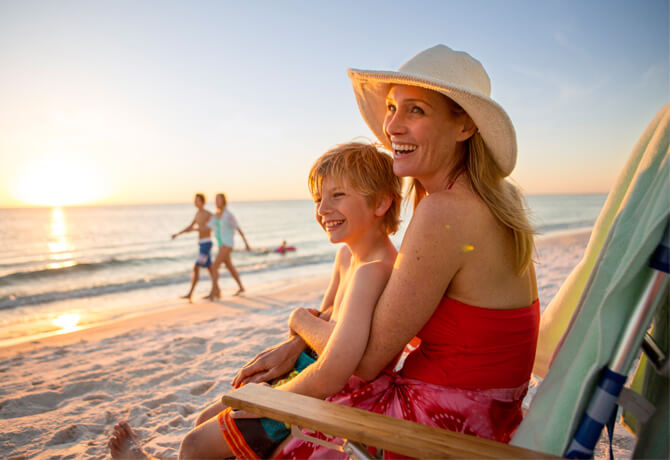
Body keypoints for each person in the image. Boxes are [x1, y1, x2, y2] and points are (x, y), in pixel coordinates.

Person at [234, 44, 540, 457]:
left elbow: (365, 359)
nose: (392, 125)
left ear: (464, 126)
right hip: (487, 413)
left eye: (416, 110)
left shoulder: (445, 212)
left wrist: (298, 320)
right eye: (393, 107)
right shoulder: (488, 199)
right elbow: (381, 317)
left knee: (270, 419)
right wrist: (294, 345)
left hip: (444, 426)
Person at [108, 142, 402, 459]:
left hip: (327, 394)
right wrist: (296, 338)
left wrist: (293, 330)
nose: (321, 209)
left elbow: (333, 363)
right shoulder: (348, 255)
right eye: (318, 199)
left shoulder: (374, 271)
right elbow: (327, 316)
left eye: (338, 195)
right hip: (308, 372)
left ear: (381, 202)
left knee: (193, 446)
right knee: (203, 420)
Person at [171, 193, 216, 302]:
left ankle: (191, 293)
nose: (195, 202)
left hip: (206, 243)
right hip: (201, 244)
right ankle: (215, 291)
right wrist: (178, 234)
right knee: (210, 269)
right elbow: (190, 227)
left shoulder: (208, 214)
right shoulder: (197, 214)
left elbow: (210, 228)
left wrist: (195, 230)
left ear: (202, 202)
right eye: (195, 200)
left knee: (196, 268)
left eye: (197, 200)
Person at [207, 193, 252, 299]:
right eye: (216, 199)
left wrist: (246, 244)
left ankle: (215, 291)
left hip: (228, 244)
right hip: (221, 244)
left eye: (219, 199)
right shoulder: (215, 215)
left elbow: (238, 228)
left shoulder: (228, 215)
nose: (217, 201)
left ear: (223, 201)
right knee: (229, 267)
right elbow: (206, 227)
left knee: (214, 266)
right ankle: (241, 287)